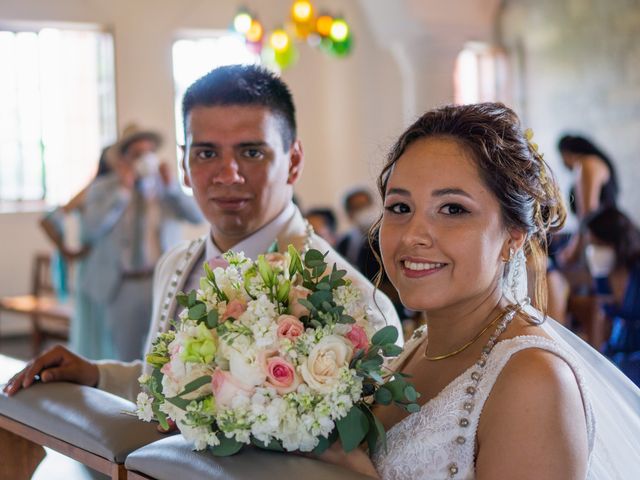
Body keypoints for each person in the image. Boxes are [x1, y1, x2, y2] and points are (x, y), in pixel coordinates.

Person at [4, 64, 401, 404]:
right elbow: (167, 386)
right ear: (184, 165)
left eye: (251, 152)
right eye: (207, 153)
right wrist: (96, 376)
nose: (228, 175)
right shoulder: (176, 264)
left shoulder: (356, 304)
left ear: (293, 161)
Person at [315, 103, 640, 479]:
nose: (413, 235)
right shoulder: (414, 347)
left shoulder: (535, 380)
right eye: (400, 207)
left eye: (453, 209)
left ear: (512, 237)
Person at [71, 125, 203, 361]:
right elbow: (92, 227)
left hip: (164, 281)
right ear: (124, 159)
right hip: (124, 285)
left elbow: (197, 216)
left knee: (169, 352)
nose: (144, 158)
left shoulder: (166, 187)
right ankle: (131, 399)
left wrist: (172, 186)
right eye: (137, 153)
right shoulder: (105, 188)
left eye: (148, 152)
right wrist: (122, 191)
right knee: (127, 355)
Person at [584, 206, 640, 385]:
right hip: (616, 353)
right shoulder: (602, 274)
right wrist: (594, 358)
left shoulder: (636, 271)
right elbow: (603, 317)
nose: (593, 251)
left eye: (599, 244)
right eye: (591, 245)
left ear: (616, 242)